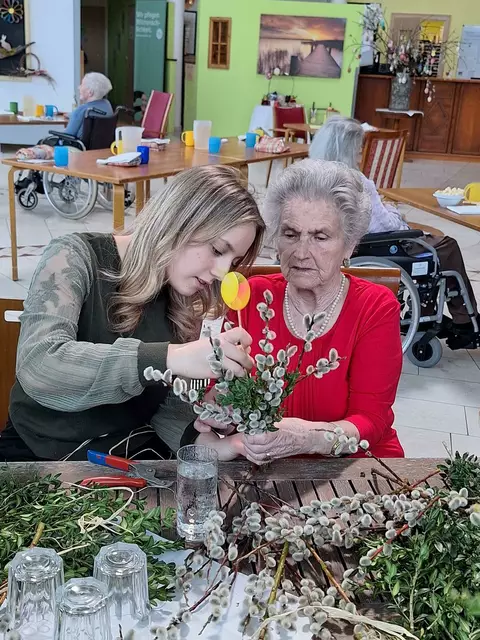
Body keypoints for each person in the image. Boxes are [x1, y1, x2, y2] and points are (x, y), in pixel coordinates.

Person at [0, 166, 265, 462]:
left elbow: (163, 408)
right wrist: (166, 358)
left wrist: (206, 442)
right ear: (178, 220)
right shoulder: (73, 257)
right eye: (217, 249)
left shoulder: (185, 299)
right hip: (37, 453)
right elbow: (39, 366)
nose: (222, 272)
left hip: (125, 454)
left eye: (234, 261)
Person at [190, 159, 405, 463]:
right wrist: (220, 409)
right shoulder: (250, 297)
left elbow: (371, 421)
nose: (301, 252)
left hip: (352, 465)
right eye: (290, 234)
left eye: (320, 237)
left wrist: (305, 438)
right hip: (266, 465)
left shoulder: (375, 307)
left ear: (349, 245)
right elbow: (221, 386)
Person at [310, 115, 479, 349]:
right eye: (358, 150)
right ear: (347, 150)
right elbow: (385, 226)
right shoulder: (356, 182)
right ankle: (465, 322)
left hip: (345, 247)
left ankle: (428, 314)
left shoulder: (313, 176)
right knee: (446, 246)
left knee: (430, 243)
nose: (360, 154)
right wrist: (397, 216)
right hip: (376, 245)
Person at [64, 72, 114, 139]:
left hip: (79, 145)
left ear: (90, 92)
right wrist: (72, 115)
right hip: (101, 144)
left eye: (82, 85)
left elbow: (66, 137)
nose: (79, 87)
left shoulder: (82, 110)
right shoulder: (107, 104)